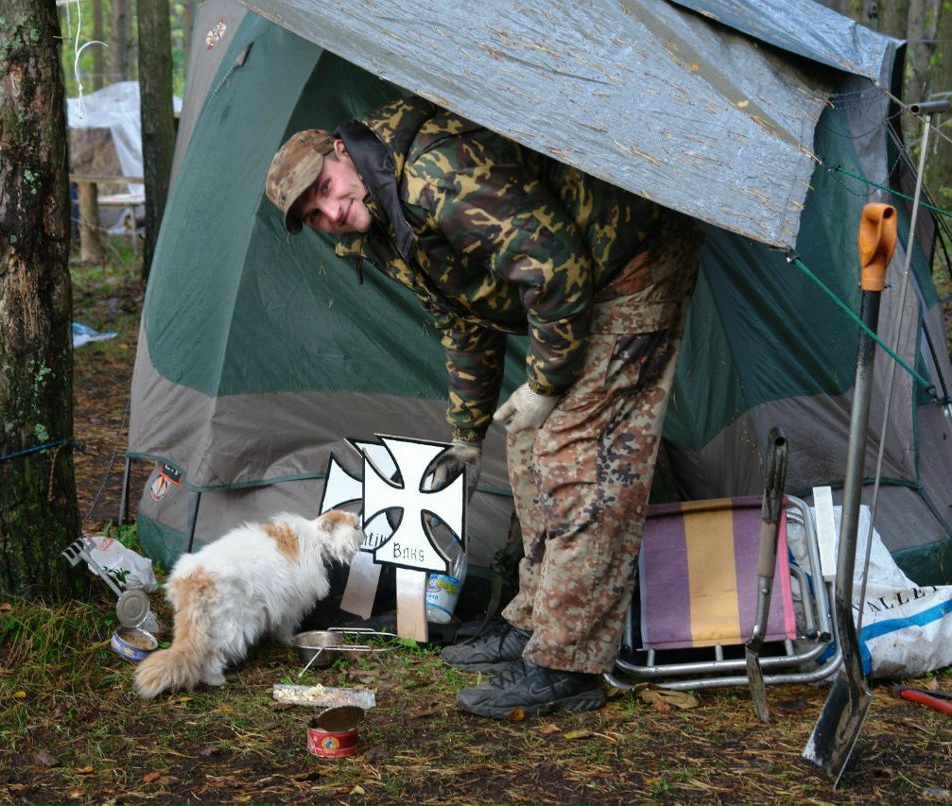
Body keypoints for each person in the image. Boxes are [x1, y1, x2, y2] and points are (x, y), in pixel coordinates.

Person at [264, 95, 700, 719]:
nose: (332, 211)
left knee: (582, 454)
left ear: (341, 152)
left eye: (328, 189)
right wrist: (466, 433)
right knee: (525, 447)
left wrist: (546, 385)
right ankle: (532, 624)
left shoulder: (434, 177)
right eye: (316, 213)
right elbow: (464, 315)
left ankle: (568, 664)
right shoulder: (382, 214)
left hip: (631, 262)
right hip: (578, 276)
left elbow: (553, 269)